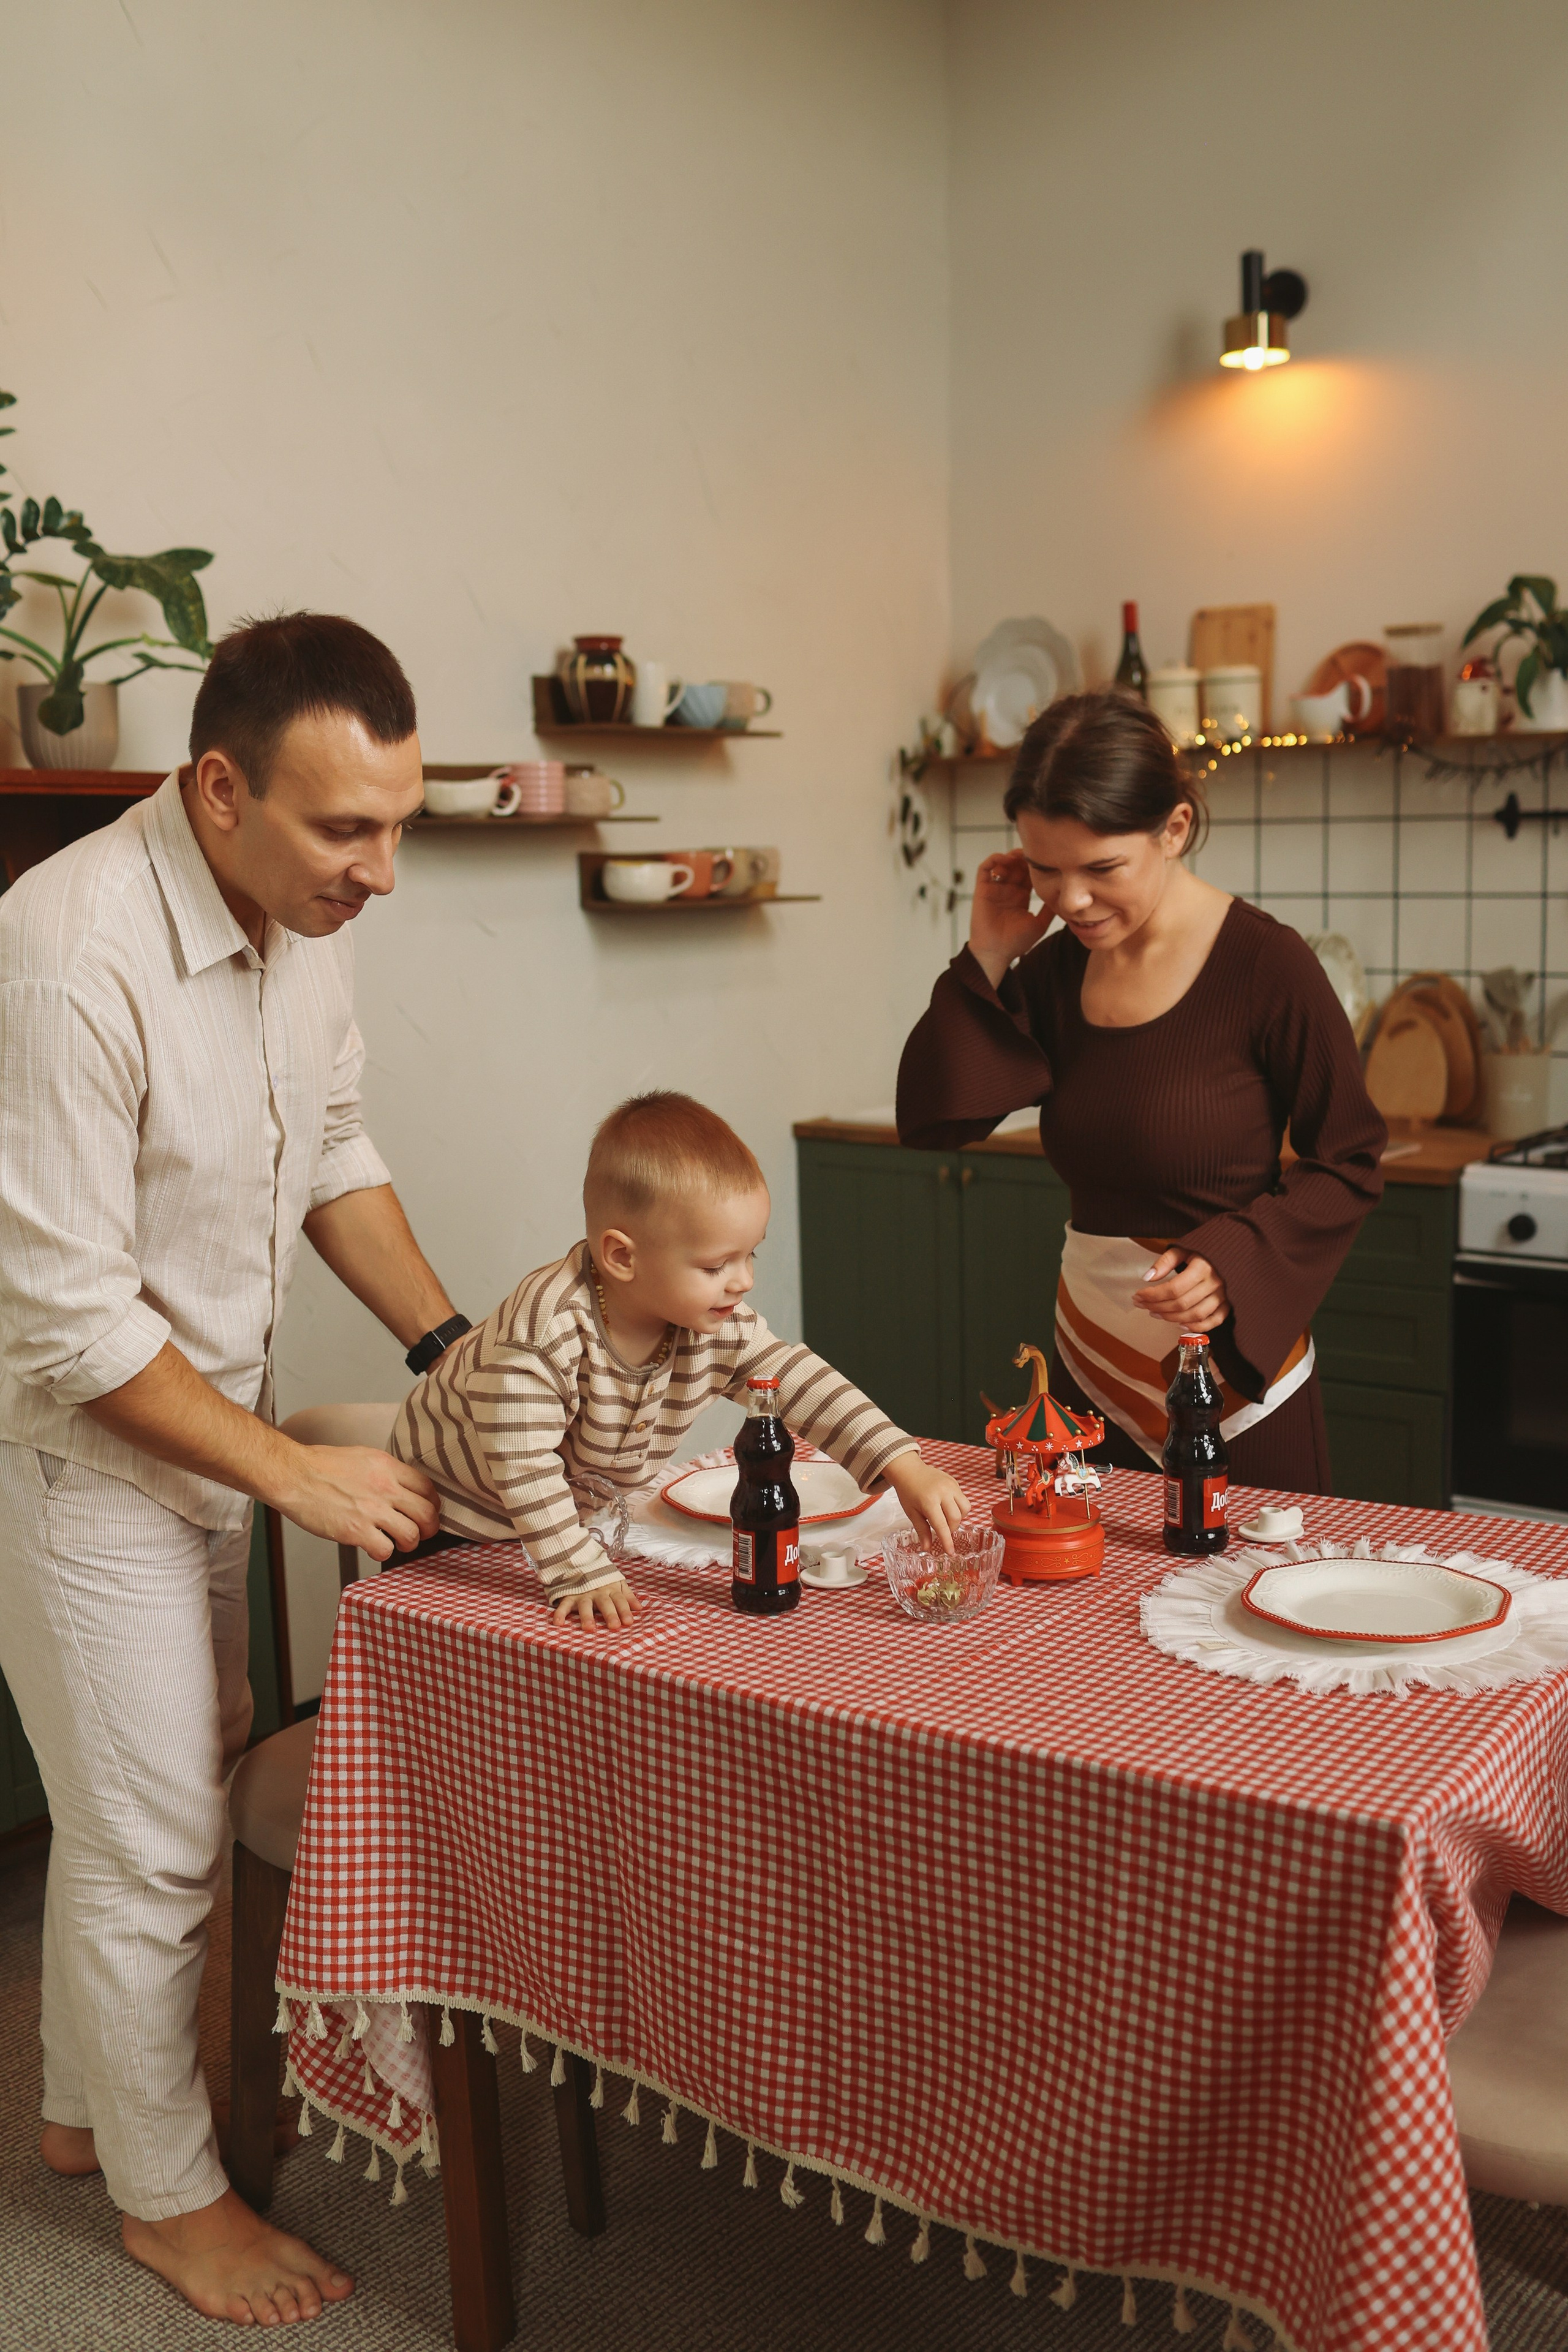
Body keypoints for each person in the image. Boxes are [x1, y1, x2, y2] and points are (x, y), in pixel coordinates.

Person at [0, 613, 469, 2326]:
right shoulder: (65, 956)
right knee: (153, 1837)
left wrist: (450, 1350)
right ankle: (164, 2200)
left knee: (153, 1782)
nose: (385, 870)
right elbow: (64, 1326)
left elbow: (331, 1144)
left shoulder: (301, 919)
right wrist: (295, 1474)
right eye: (350, 828)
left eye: (399, 822)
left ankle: (74, 2113)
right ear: (218, 790)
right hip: (76, 1453)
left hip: (197, 1424)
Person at [896, 692, 1386, 1492]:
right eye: (1046, 872)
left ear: (1175, 829)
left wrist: (1230, 1261)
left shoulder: (1269, 965)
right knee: (1086, 1610)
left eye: (1101, 870)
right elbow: (936, 1120)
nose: (1072, 901)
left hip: (1235, 1379)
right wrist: (988, 955)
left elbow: (1351, 1158)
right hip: (1088, 1373)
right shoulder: (1055, 973)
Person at [390, 1090, 969, 1623]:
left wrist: (902, 1466)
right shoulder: (544, 1333)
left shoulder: (709, 1322)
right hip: (447, 1524)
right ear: (622, 1257)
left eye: (751, 1257)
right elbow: (521, 1464)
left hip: (555, 1525)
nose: (741, 1281)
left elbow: (794, 1379)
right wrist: (577, 1568)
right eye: (716, 1266)